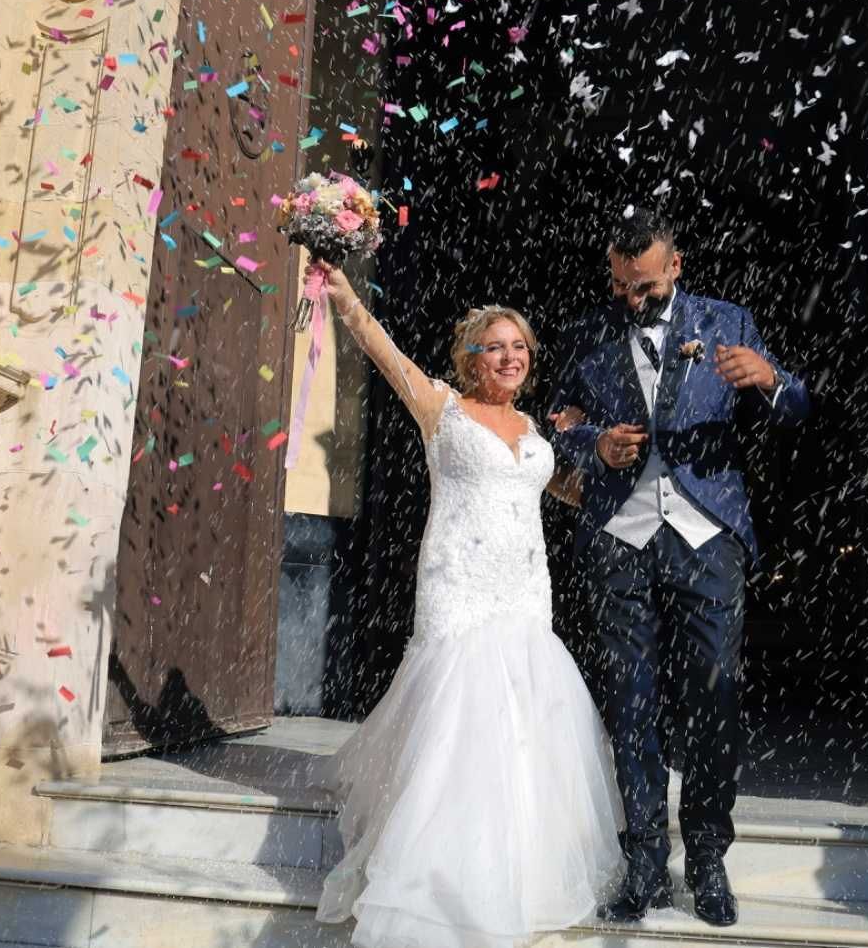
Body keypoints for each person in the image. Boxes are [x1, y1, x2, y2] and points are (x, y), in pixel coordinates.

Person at [313, 262, 624, 948]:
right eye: (497, 346)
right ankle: (440, 882)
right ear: (471, 357)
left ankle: (519, 879)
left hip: (524, 589)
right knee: (459, 726)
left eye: (520, 348)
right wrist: (346, 297)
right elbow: (383, 351)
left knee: (521, 730)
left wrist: (601, 456)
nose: (510, 357)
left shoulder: (537, 429)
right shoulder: (441, 408)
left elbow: (564, 492)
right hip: (459, 584)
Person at [548, 211, 810, 927]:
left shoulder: (728, 322)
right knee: (629, 702)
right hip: (620, 535)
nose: (633, 300)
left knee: (713, 697)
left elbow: (798, 408)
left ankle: (706, 858)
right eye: (623, 287)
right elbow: (554, 426)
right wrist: (594, 446)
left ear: (677, 267)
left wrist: (770, 379)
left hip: (706, 534)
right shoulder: (588, 332)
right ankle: (641, 863)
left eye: (647, 287)